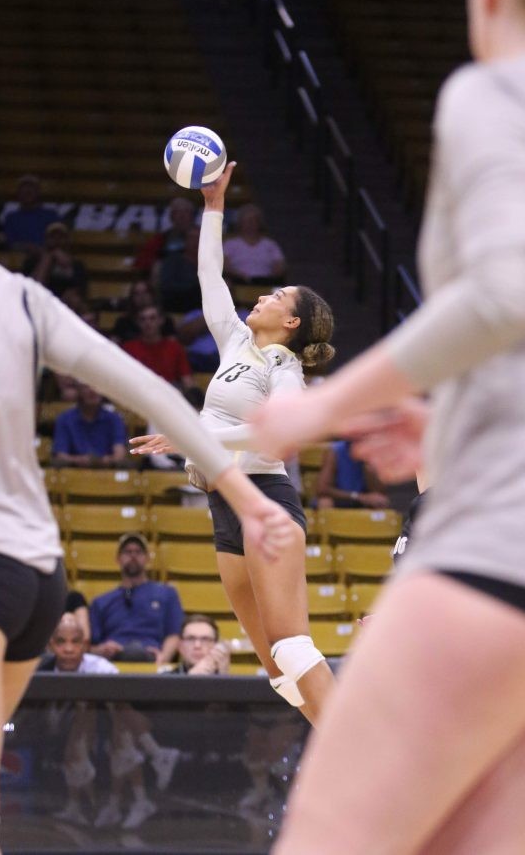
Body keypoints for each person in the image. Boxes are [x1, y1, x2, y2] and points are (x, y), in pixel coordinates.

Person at [251, 0, 525, 852]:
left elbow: (505, 294)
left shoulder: (498, 89)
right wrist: (459, 427)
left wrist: (321, 405)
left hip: (509, 548)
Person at [0, 250, 293, 855]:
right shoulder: (20, 293)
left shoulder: (275, 361)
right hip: (36, 573)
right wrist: (244, 498)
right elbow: (152, 390)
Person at [130, 163, 337, 725]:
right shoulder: (237, 344)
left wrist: (191, 435)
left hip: (265, 499)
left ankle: (374, 754)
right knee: (277, 671)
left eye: (276, 294)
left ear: (291, 321)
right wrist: (214, 206)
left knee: (293, 647)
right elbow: (209, 276)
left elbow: (280, 431)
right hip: (225, 503)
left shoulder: (284, 364)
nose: (263, 295)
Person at [38, 614, 178, 830]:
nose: (68, 649)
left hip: (100, 728)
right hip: (54, 728)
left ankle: (102, 804)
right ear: (50, 645)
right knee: (119, 732)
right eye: (61, 642)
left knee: (120, 730)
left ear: (85, 645)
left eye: (75, 642)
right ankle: (155, 756)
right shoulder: (39, 669)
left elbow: (123, 707)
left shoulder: (101, 667)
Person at [89, 533, 182, 664]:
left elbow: (174, 634)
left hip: (152, 657)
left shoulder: (167, 594)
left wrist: (163, 658)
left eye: (139, 552)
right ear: (118, 559)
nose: (133, 556)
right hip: (111, 662)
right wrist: (101, 650)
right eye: (127, 552)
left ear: (147, 558)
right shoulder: (101, 602)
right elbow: (90, 646)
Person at [52, 382, 128, 467]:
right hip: (74, 472)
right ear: (78, 390)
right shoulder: (65, 419)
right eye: (86, 386)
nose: (92, 390)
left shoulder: (115, 419)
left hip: (106, 473)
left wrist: (101, 461)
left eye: (96, 386)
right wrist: (80, 460)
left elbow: (119, 456)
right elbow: (60, 456)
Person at [123, 304, 194, 388]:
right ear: (138, 322)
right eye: (143, 319)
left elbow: (187, 381)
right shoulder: (128, 348)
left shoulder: (175, 348)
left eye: (152, 318)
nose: (147, 323)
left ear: (161, 320)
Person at [21, 222, 87, 302]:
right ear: (46, 240)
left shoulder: (76, 264)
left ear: (67, 240)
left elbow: (79, 290)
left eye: (61, 237)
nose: (57, 241)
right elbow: (33, 288)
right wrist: (49, 258)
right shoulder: (32, 262)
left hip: (64, 306)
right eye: (53, 237)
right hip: (38, 303)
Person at [315, 439, 390, 510]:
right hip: (340, 498)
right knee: (325, 502)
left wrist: (369, 467)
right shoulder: (336, 451)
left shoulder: (374, 451)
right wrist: (358, 497)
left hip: (364, 501)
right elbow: (322, 489)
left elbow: (379, 492)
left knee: (380, 502)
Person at [223, 203, 286, 284]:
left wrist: (273, 275)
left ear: (259, 223)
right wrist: (239, 275)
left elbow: (279, 266)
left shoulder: (270, 245)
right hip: (238, 282)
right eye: (247, 221)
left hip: (265, 283)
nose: (250, 224)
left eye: (253, 220)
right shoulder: (230, 244)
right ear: (240, 223)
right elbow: (225, 265)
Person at [133, 196, 196, 276]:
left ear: (192, 215)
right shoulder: (161, 239)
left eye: (186, 211)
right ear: (171, 216)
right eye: (177, 212)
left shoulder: (205, 237)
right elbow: (142, 262)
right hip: (169, 278)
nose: (182, 215)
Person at [2, 175, 59, 252]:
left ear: (38, 191)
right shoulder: (11, 218)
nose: (27, 190)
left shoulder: (51, 215)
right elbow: (10, 242)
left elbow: (57, 240)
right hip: (18, 258)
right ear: (18, 193)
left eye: (31, 187)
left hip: (46, 256)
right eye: (24, 188)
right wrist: (28, 248)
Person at [110, 280, 176, 345]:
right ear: (132, 297)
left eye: (145, 292)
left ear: (152, 295)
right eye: (137, 293)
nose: (142, 296)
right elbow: (113, 346)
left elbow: (172, 345)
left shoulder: (166, 321)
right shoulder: (122, 322)